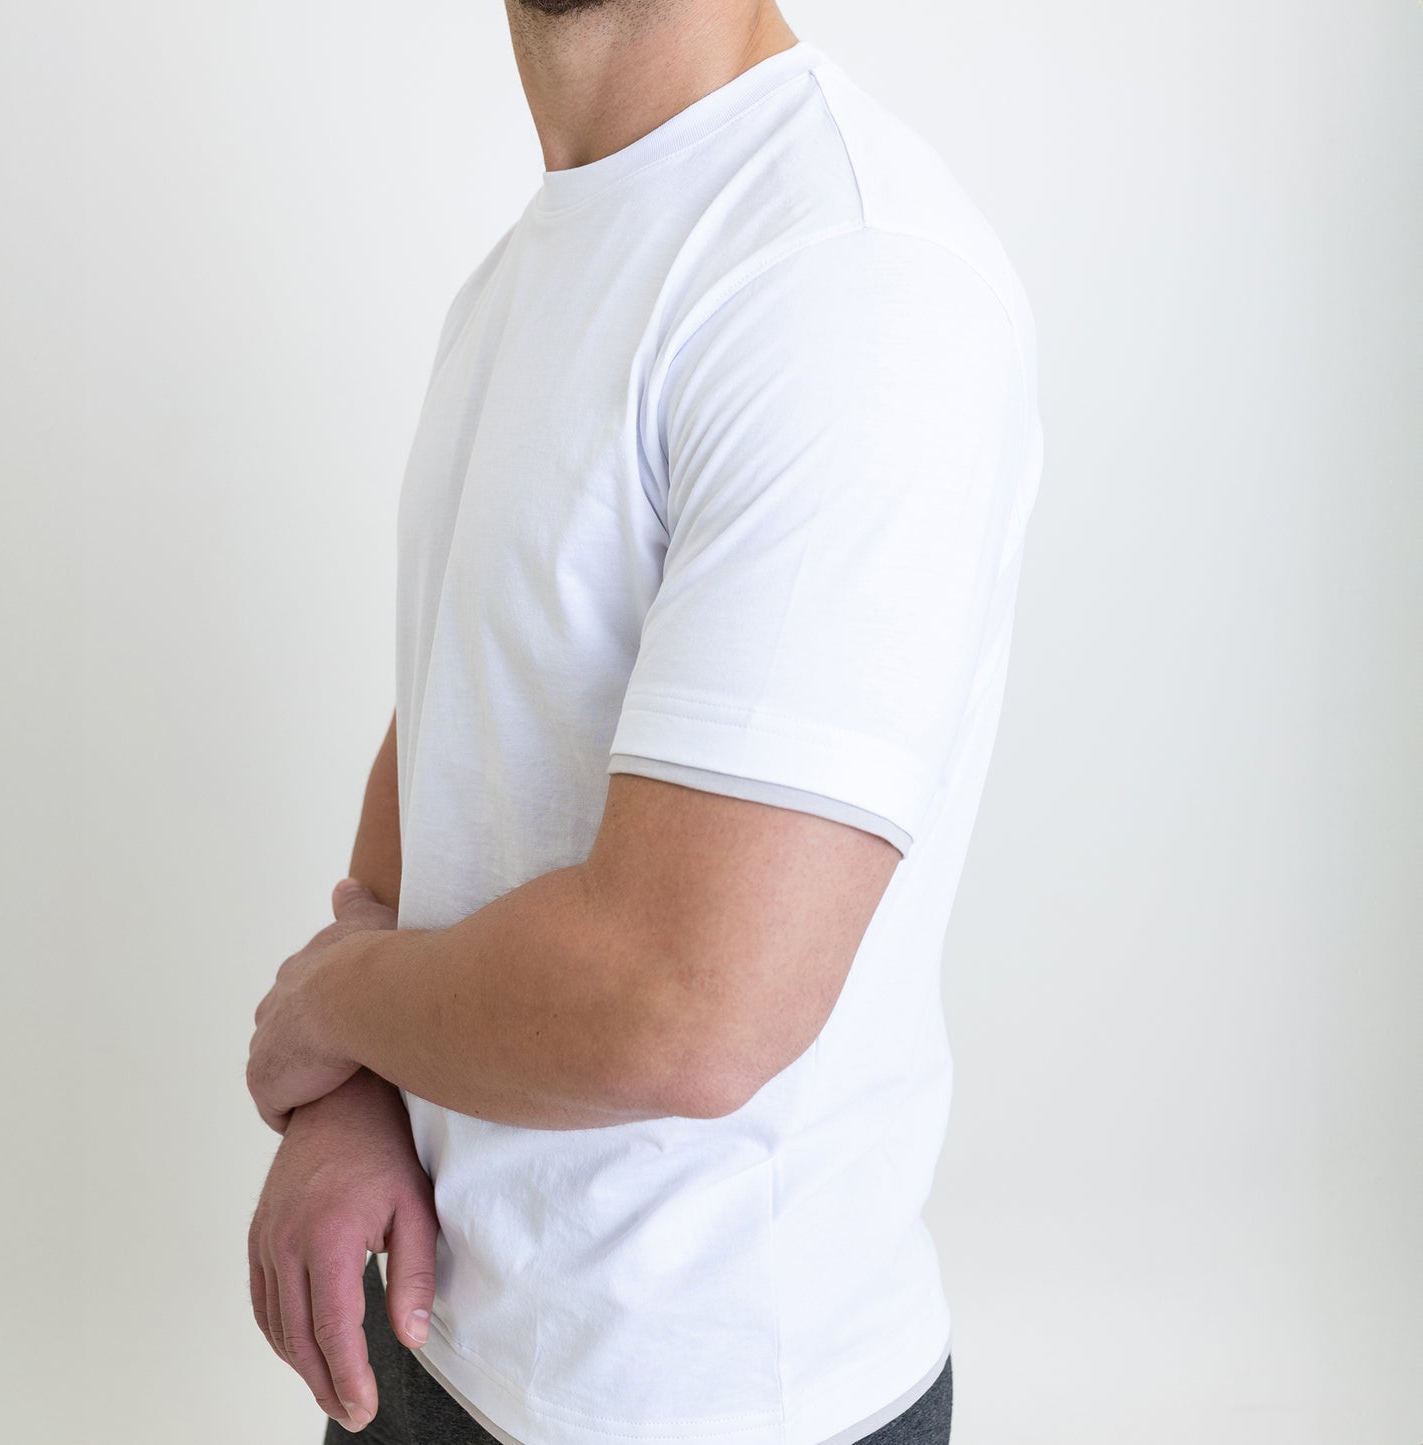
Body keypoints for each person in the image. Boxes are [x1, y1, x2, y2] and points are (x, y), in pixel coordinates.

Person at [245, 0, 1044, 1441]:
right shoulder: (523, 272)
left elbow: (688, 1001)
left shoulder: (844, 272)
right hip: (431, 1343)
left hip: (709, 1404)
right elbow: (466, 704)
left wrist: (330, 1007)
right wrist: (353, 1097)